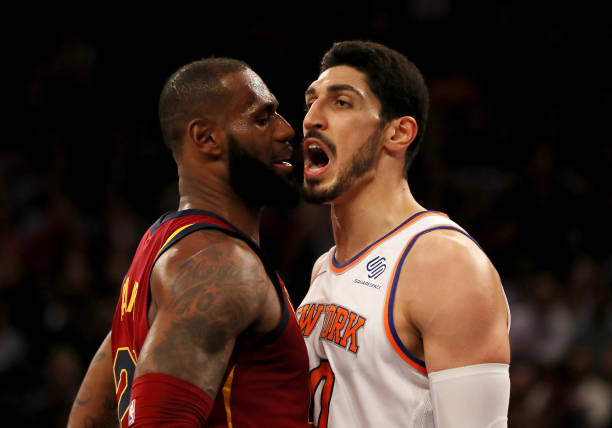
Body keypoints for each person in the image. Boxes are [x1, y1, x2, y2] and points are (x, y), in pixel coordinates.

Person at [67, 57, 311, 427]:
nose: (287, 130)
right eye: (263, 118)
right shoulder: (221, 265)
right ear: (206, 138)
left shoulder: (162, 246)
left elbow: (87, 417)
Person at [296, 41, 511, 428]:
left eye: (342, 102)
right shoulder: (322, 270)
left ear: (397, 133)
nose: (312, 118)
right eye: (311, 102)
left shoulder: (444, 263)